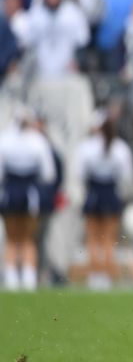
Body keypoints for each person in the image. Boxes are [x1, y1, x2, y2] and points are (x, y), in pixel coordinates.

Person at [75, 108, 133, 290]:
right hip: (111, 193)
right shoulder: (120, 148)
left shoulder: (86, 147)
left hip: (94, 192)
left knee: (93, 238)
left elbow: (79, 174)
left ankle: (96, 276)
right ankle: (107, 277)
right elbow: (128, 176)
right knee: (109, 238)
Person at [0, 107, 57, 291]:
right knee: (28, 237)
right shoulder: (38, 141)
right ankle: (28, 276)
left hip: (11, 191)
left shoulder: (5, 140)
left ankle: (12, 278)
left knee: (11, 237)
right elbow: (48, 173)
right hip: (30, 192)